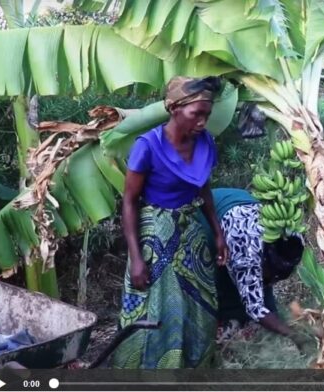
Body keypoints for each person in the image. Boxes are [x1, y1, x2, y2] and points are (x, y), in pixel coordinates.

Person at [111, 76, 230, 369]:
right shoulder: (148, 146)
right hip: (156, 235)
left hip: (191, 233)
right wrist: (136, 258)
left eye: (207, 114)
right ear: (175, 108)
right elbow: (128, 202)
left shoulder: (205, 143)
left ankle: (193, 367)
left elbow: (204, 190)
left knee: (200, 304)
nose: (202, 122)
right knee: (158, 305)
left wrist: (217, 233)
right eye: (196, 114)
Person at [196, 188, 312, 349]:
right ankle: (223, 336)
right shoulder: (245, 252)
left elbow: (264, 283)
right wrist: (295, 336)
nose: (273, 280)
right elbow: (254, 308)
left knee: (257, 289)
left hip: (244, 208)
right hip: (212, 214)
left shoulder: (291, 237)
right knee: (223, 279)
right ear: (262, 259)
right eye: (273, 274)